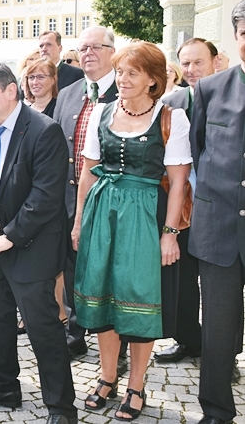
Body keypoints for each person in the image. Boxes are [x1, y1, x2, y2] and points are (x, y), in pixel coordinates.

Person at [72, 41, 191, 421]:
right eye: (121, 71)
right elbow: (87, 173)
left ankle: (136, 384)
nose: (122, 79)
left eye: (131, 73)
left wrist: (170, 233)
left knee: (138, 301)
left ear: (153, 81)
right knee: (104, 297)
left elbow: (178, 180)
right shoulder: (102, 112)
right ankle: (107, 377)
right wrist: (78, 222)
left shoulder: (172, 118)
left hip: (144, 214)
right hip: (102, 213)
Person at [0, 62, 76, 424]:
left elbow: (44, 198)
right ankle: (3, 386)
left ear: (10, 91)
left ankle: (61, 407)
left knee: (43, 330)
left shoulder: (45, 131)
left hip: (30, 247)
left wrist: (7, 238)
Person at [189, 0, 245, 424]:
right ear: (236, 37)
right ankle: (216, 412)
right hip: (218, 227)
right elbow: (199, 149)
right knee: (219, 330)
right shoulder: (211, 89)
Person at [52, 25, 119, 360]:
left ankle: (116, 345)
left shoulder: (126, 91)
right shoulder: (68, 93)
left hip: (110, 201)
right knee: (73, 268)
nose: (88, 53)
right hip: (67, 198)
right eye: (83, 48)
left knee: (109, 271)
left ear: (112, 51)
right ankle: (76, 331)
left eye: (96, 47)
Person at [153, 38, 217, 365]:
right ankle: (188, 339)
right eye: (186, 63)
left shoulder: (230, 94)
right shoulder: (172, 102)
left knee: (220, 287)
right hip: (182, 206)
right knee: (184, 279)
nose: (191, 70)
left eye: (198, 62)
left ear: (215, 63)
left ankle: (224, 356)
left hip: (221, 206)